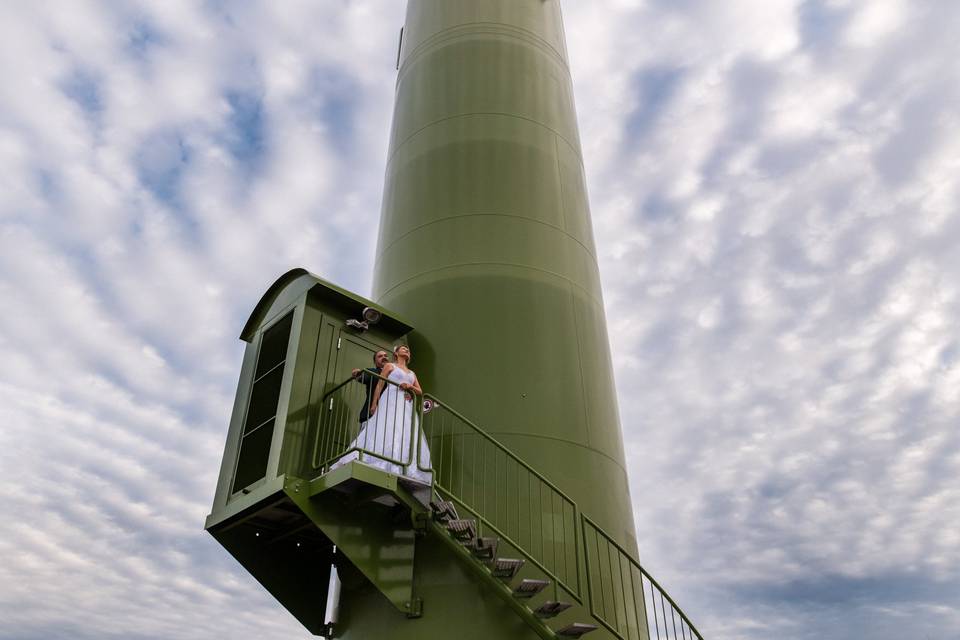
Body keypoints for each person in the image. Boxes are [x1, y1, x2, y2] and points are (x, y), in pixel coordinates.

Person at [364, 344, 432, 485]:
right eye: (403, 349)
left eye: (408, 349)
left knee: (404, 431)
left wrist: (410, 387)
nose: (406, 350)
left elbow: (419, 391)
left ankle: (404, 465)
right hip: (390, 399)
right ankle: (382, 461)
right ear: (396, 353)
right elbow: (380, 384)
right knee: (387, 427)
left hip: (405, 404)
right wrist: (374, 403)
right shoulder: (390, 366)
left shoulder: (412, 373)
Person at [352, 350, 389, 425]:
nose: (384, 357)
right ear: (375, 362)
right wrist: (358, 374)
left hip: (389, 416)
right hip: (372, 414)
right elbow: (363, 377)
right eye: (380, 356)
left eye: (385, 355)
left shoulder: (395, 374)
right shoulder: (372, 372)